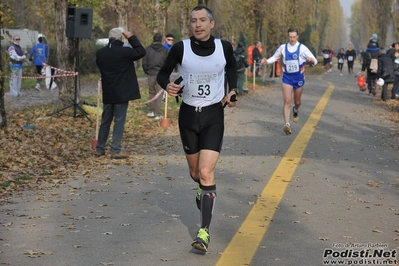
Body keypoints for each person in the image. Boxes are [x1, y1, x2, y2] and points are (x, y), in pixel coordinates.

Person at [157, 5, 238, 253]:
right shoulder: (181, 48)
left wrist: (232, 90)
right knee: (195, 174)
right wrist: (168, 86)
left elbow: (232, 68)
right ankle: (202, 191)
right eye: (194, 21)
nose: (198, 24)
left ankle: (203, 232)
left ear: (212, 23)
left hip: (214, 114)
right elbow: (162, 74)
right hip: (188, 115)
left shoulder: (224, 47)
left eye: (203, 20)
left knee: (205, 172)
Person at [95, 27, 146, 159]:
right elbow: (141, 51)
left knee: (105, 120)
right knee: (119, 121)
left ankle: (100, 148)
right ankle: (115, 150)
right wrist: (131, 37)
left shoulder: (100, 53)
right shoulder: (125, 52)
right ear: (121, 38)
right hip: (122, 92)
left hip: (108, 91)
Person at [261, 27, 317, 135]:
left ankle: (295, 109)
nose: (292, 39)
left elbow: (314, 60)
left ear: (297, 36)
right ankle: (287, 124)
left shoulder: (302, 48)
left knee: (297, 101)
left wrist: (311, 61)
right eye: (290, 37)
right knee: (287, 101)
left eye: (294, 37)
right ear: (288, 36)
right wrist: (266, 61)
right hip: (287, 78)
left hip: (299, 78)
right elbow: (274, 57)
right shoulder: (283, 48)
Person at [142, 33, 169, 120]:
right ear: (161, 40)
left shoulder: (148, 50)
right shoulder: (165, 50)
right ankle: (158, 113)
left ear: (153, 39)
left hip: (151, 73)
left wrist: (147, 71)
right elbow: (168, 62)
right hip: (161, 74)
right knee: (159, 93)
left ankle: (151, 111)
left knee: (152, 92)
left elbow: (144, 62)